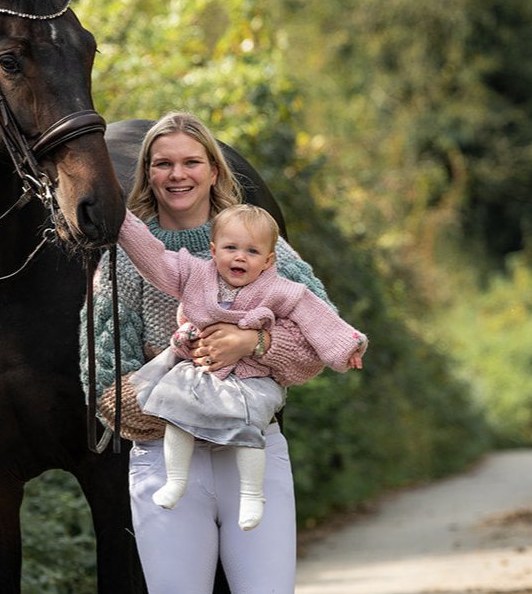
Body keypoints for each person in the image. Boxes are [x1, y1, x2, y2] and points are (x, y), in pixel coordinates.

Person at [80, 112, 337, 594]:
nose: (177, 173)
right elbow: (102, 378)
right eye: (163, 162)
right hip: (166, 465)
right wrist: (182, 380)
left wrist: (251, 344)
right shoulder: (125, 262)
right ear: (148, 173)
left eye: (191, 160)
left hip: (256, 458)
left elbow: (313, 344)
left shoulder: (260, 245)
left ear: (212, 167)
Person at [117, 201, 366, 531]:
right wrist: (121, 221)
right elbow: (154, 258)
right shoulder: (194, 274)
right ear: (213, 250)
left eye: (251, 251)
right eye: (230, 248)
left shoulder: (282, 289)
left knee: (248, 426)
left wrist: (348, 346)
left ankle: (252, 494)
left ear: (268, 260)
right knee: (176, 412)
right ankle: (176, 480)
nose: (239, 257)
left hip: (251, 376)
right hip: (201, 370)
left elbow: (318, 319)